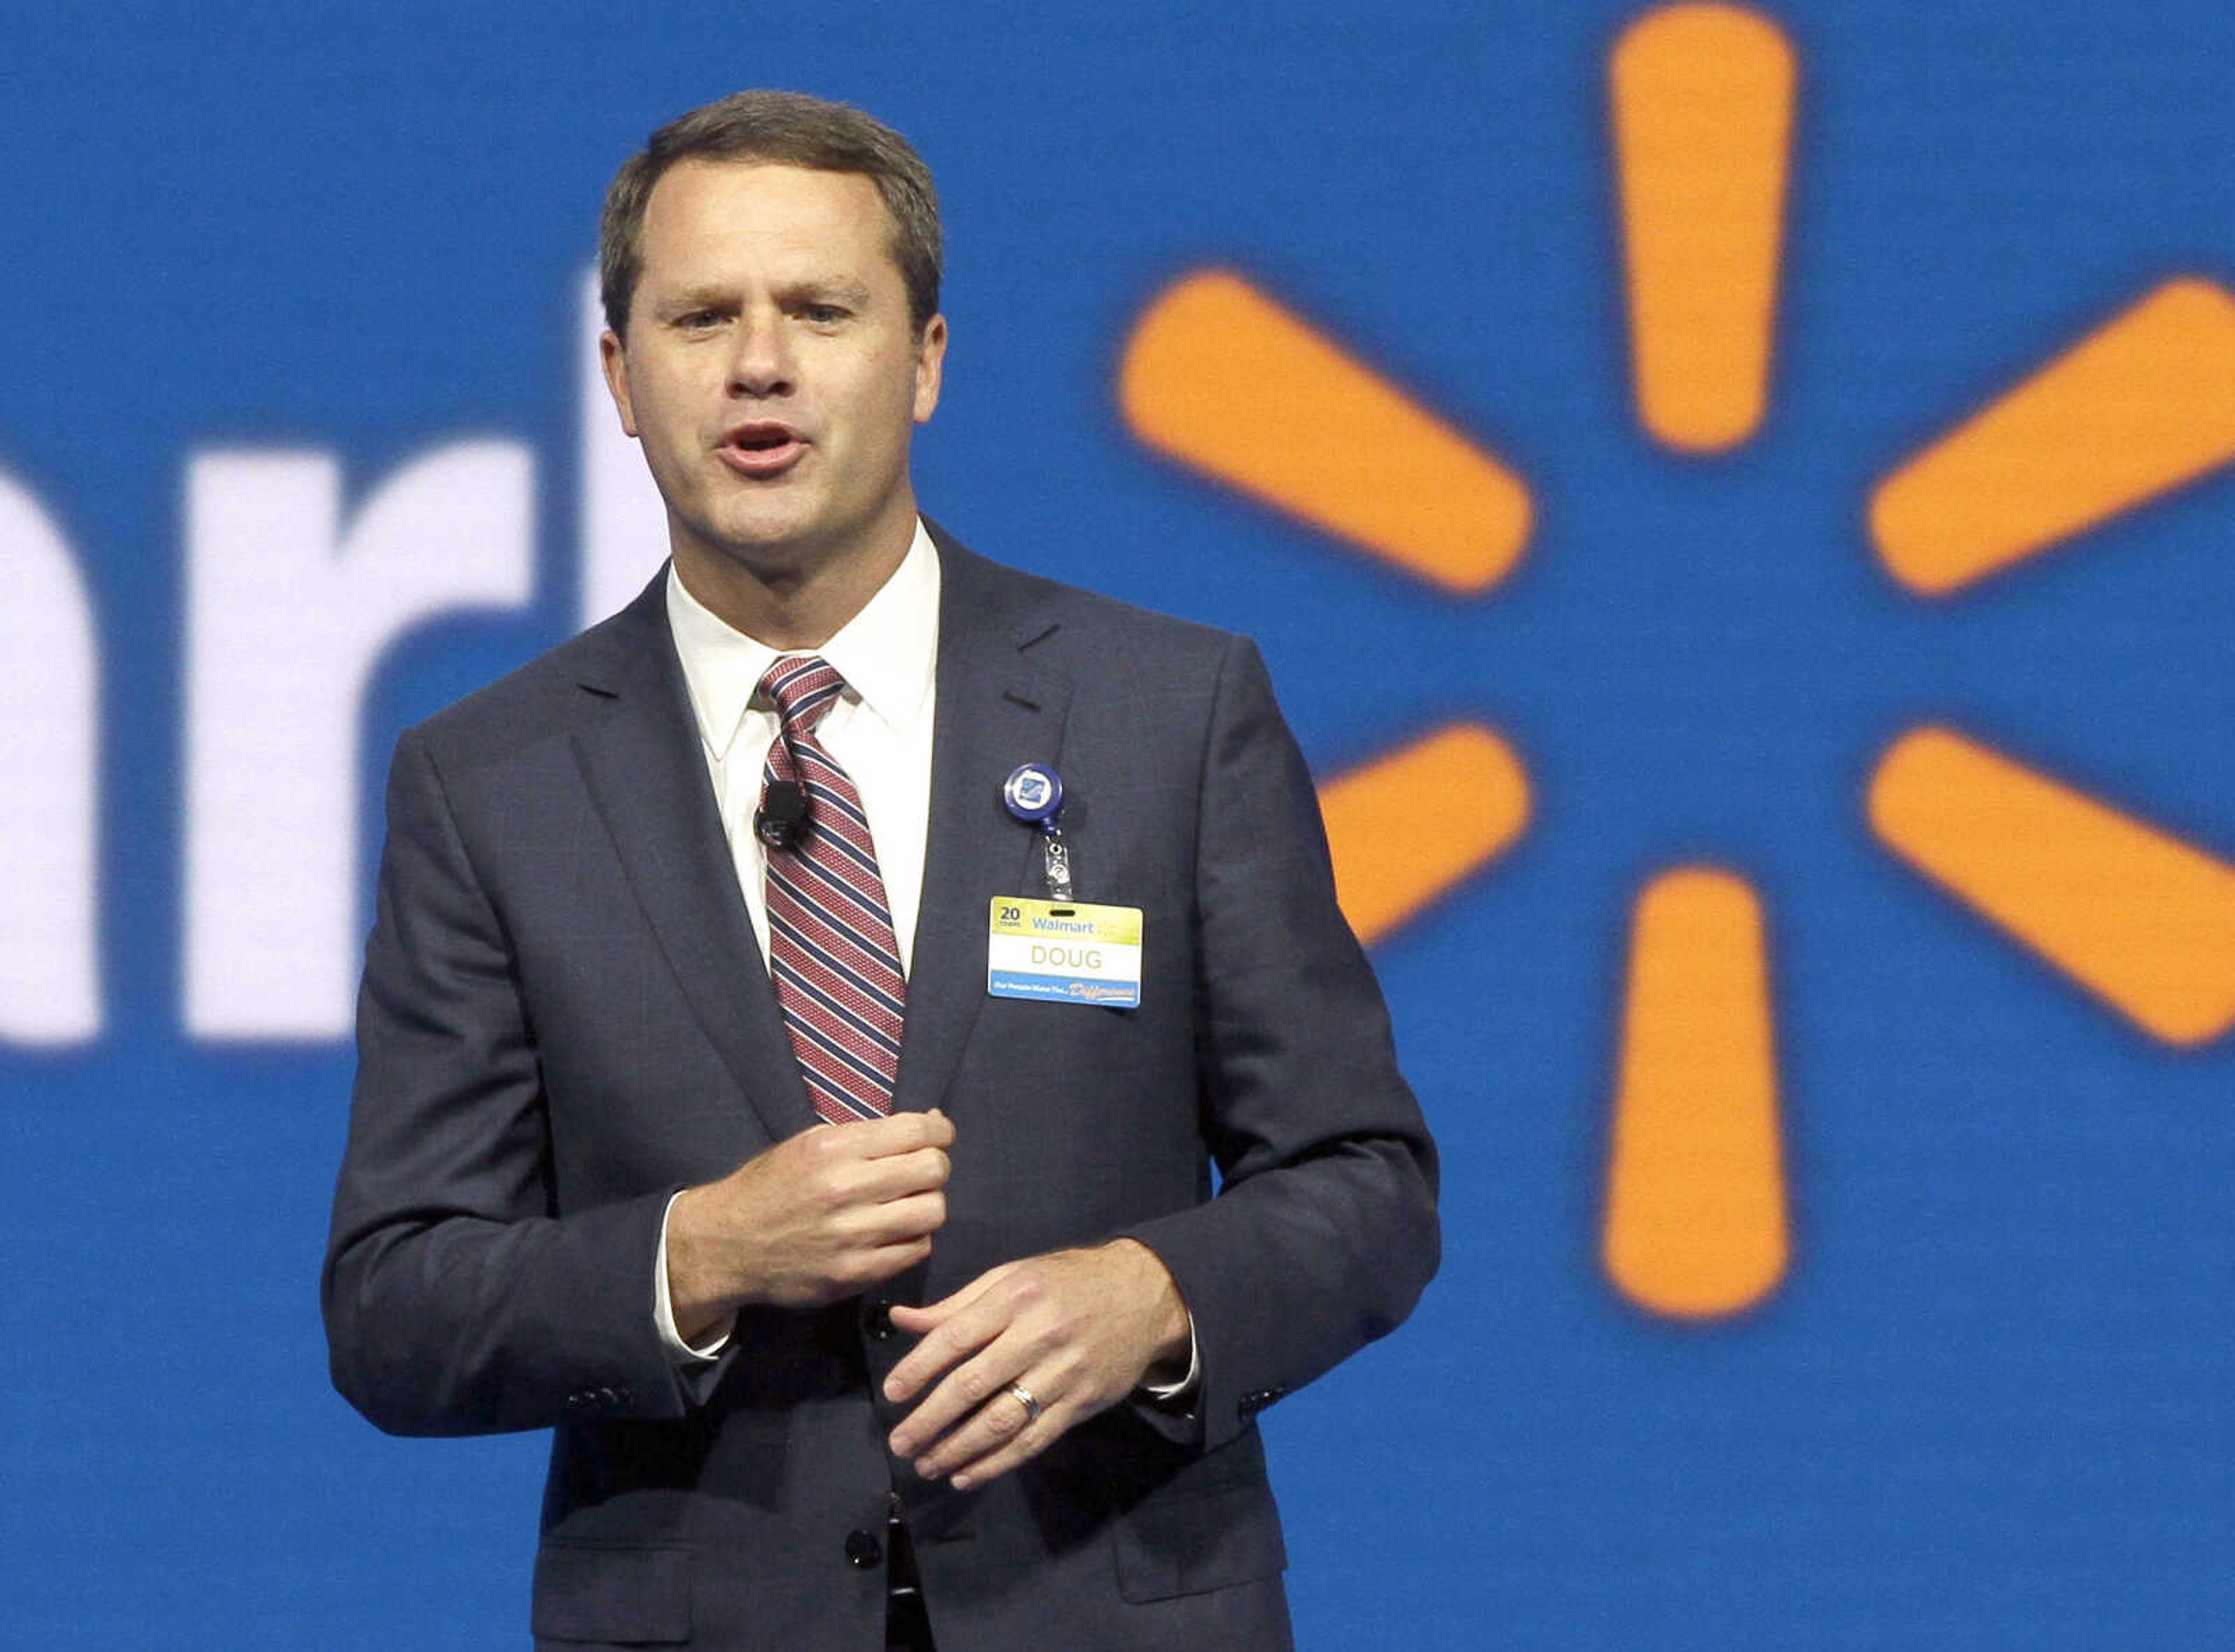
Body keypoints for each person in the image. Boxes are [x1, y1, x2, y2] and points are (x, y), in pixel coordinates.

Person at [322, 89, 1438, 1652]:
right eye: (701, 314)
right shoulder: (491, 783)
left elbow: (1367, 1185)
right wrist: (699, 1254)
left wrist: (1152, 1298)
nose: (759, 361)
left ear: (923, 360)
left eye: (821, 310)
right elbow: (395, 1306)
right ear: (618, 378)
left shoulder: (1167, 717)